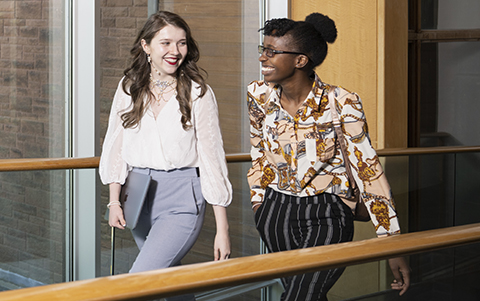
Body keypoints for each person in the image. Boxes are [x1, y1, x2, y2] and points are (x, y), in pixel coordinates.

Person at [246, 13, 411, 301]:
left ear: (300, 60)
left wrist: (391, 242)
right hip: (275, 213)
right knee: (307, 295)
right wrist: (259, 202)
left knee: (299, 298)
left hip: (327, 213)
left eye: (272, 52)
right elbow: (259, 151)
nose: (264, 58)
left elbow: (368, 170)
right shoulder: (258, 94)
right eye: (264, 49)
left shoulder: (341, 101)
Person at [99, 10, 233, 285]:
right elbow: (116, 146)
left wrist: (223, 228)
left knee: (138, 281)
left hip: (182, 198)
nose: (175, 51)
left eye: (182, 43)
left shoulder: (199, 93)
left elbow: (212, 159)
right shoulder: (128, 88)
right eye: (166, 43)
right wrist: (114, 200)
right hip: (137, 196)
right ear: (146, 46)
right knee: (170, 281)